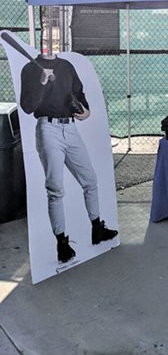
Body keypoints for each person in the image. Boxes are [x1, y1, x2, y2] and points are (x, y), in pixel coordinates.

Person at [20, 53, 118, 264]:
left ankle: (97, 229)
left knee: (90, 180)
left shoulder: (66, 66)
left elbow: (78, 92)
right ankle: (62, 244)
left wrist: (86, 110)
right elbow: (28, 107)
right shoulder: (30, 69)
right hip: (48, 129)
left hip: (70, 128)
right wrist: (42, 83)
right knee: (55, 189)